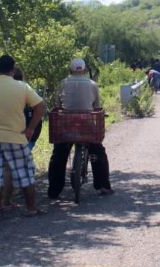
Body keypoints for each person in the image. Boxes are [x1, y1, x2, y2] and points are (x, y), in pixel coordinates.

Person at [0, 55, 45, 221]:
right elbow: (40, 106)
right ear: (12, 70)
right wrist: (30, 129)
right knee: (25, 174)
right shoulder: (22, 87)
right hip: (16, 137)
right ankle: (31, 208)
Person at [48, 59, 113, 199]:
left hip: (67, 125)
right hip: (86, 126)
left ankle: (54, 190)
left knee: (58, 155)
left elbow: (57, 104)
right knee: (98, 153)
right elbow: (96, 106)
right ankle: (103, 186)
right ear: (84, 70)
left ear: (70, 70)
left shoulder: (63, 83)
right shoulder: (92, 84)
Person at [2, 67, 41, 210]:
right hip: (25, 136)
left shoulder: (3, 92)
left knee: (7, 169)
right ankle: (29, 206)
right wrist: (31, 132)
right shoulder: (25, 90)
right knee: (23, 170)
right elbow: (39, 108)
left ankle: (5, 201)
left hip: (5, 135)